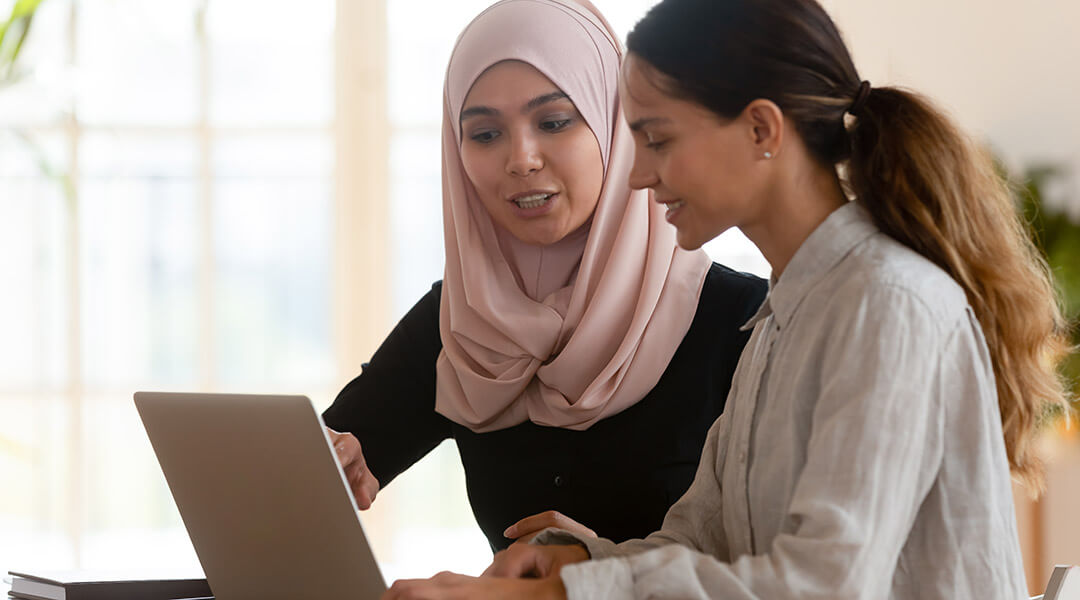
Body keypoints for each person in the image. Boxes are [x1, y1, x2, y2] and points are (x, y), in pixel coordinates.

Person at [382, 0, 1073, 598]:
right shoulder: (780, 316)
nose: (639, 175)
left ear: (762, 130)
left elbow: (825, 586)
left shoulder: (886, 303)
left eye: (657, 139)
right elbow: (702, 539)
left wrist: (566, 595)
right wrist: (577, 561)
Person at [322, 0, 766, 554]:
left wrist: (601, 568)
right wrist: (324, 463)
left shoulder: (747, 323)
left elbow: (786, 564)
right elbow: (330, 457)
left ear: (617, 126)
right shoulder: (461, 322)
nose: (521, 159)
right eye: (484, 134)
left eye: (554, 122)